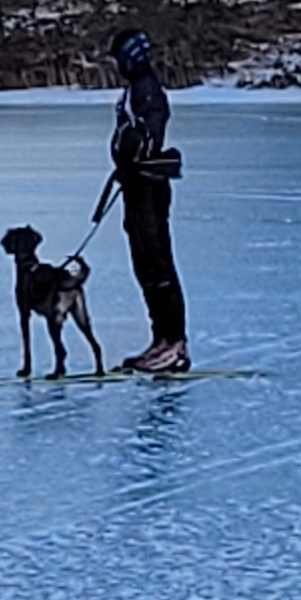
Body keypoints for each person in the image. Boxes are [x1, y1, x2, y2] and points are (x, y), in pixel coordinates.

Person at [99, 26, 188, 373]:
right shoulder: (135, 88)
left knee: (158, 264)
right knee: (146, 266)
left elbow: (150, 130)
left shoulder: (146, 89)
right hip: (137, 187)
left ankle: (175, 344)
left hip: (148, 188)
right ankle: (161, 340)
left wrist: (133, 149)